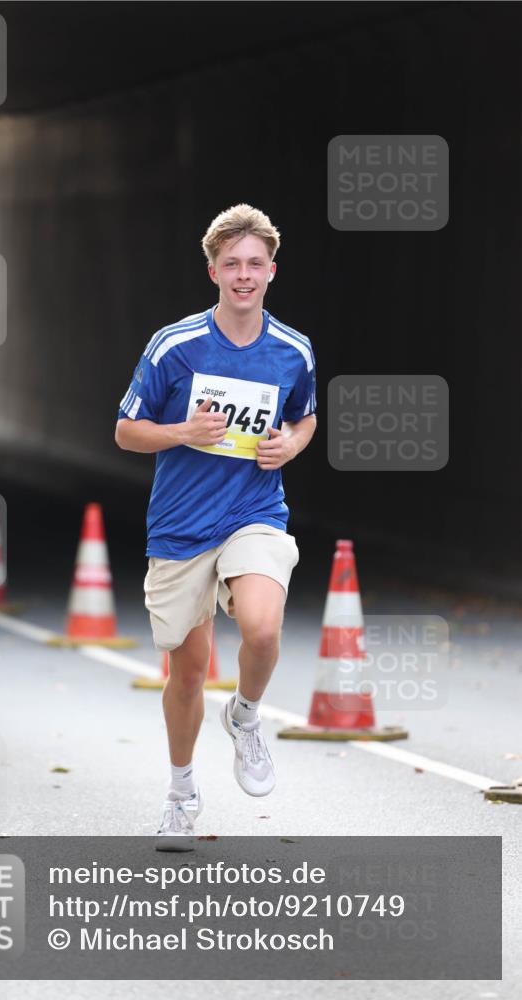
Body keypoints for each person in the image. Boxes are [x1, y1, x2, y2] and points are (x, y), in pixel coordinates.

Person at [115, 204, 317, 850]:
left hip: (253, 513)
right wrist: (182, 432)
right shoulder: (174, 346)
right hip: (179, 527)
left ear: (271, 272)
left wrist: (290, 444)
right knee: (189, 671)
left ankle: (247, 715)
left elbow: (304, 416)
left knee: (260, 625)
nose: (243, 274)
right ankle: (180, 794)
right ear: (212, 271)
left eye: (254, 264)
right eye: (231, 263)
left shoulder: (292, 350)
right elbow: (124, 430)